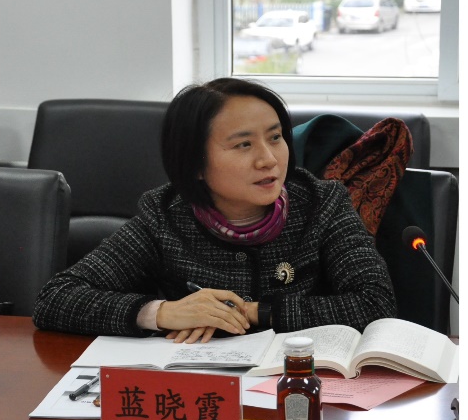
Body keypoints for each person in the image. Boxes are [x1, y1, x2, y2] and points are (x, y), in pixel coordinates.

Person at [33, 77, 395, 343]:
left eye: (275, 137)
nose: (268, 159)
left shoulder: (322, 204)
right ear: (195, 164)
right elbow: (57, 298)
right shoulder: (164, 217)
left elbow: (376, 302)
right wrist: (163, 312)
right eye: (243, 145)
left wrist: (254, 312)